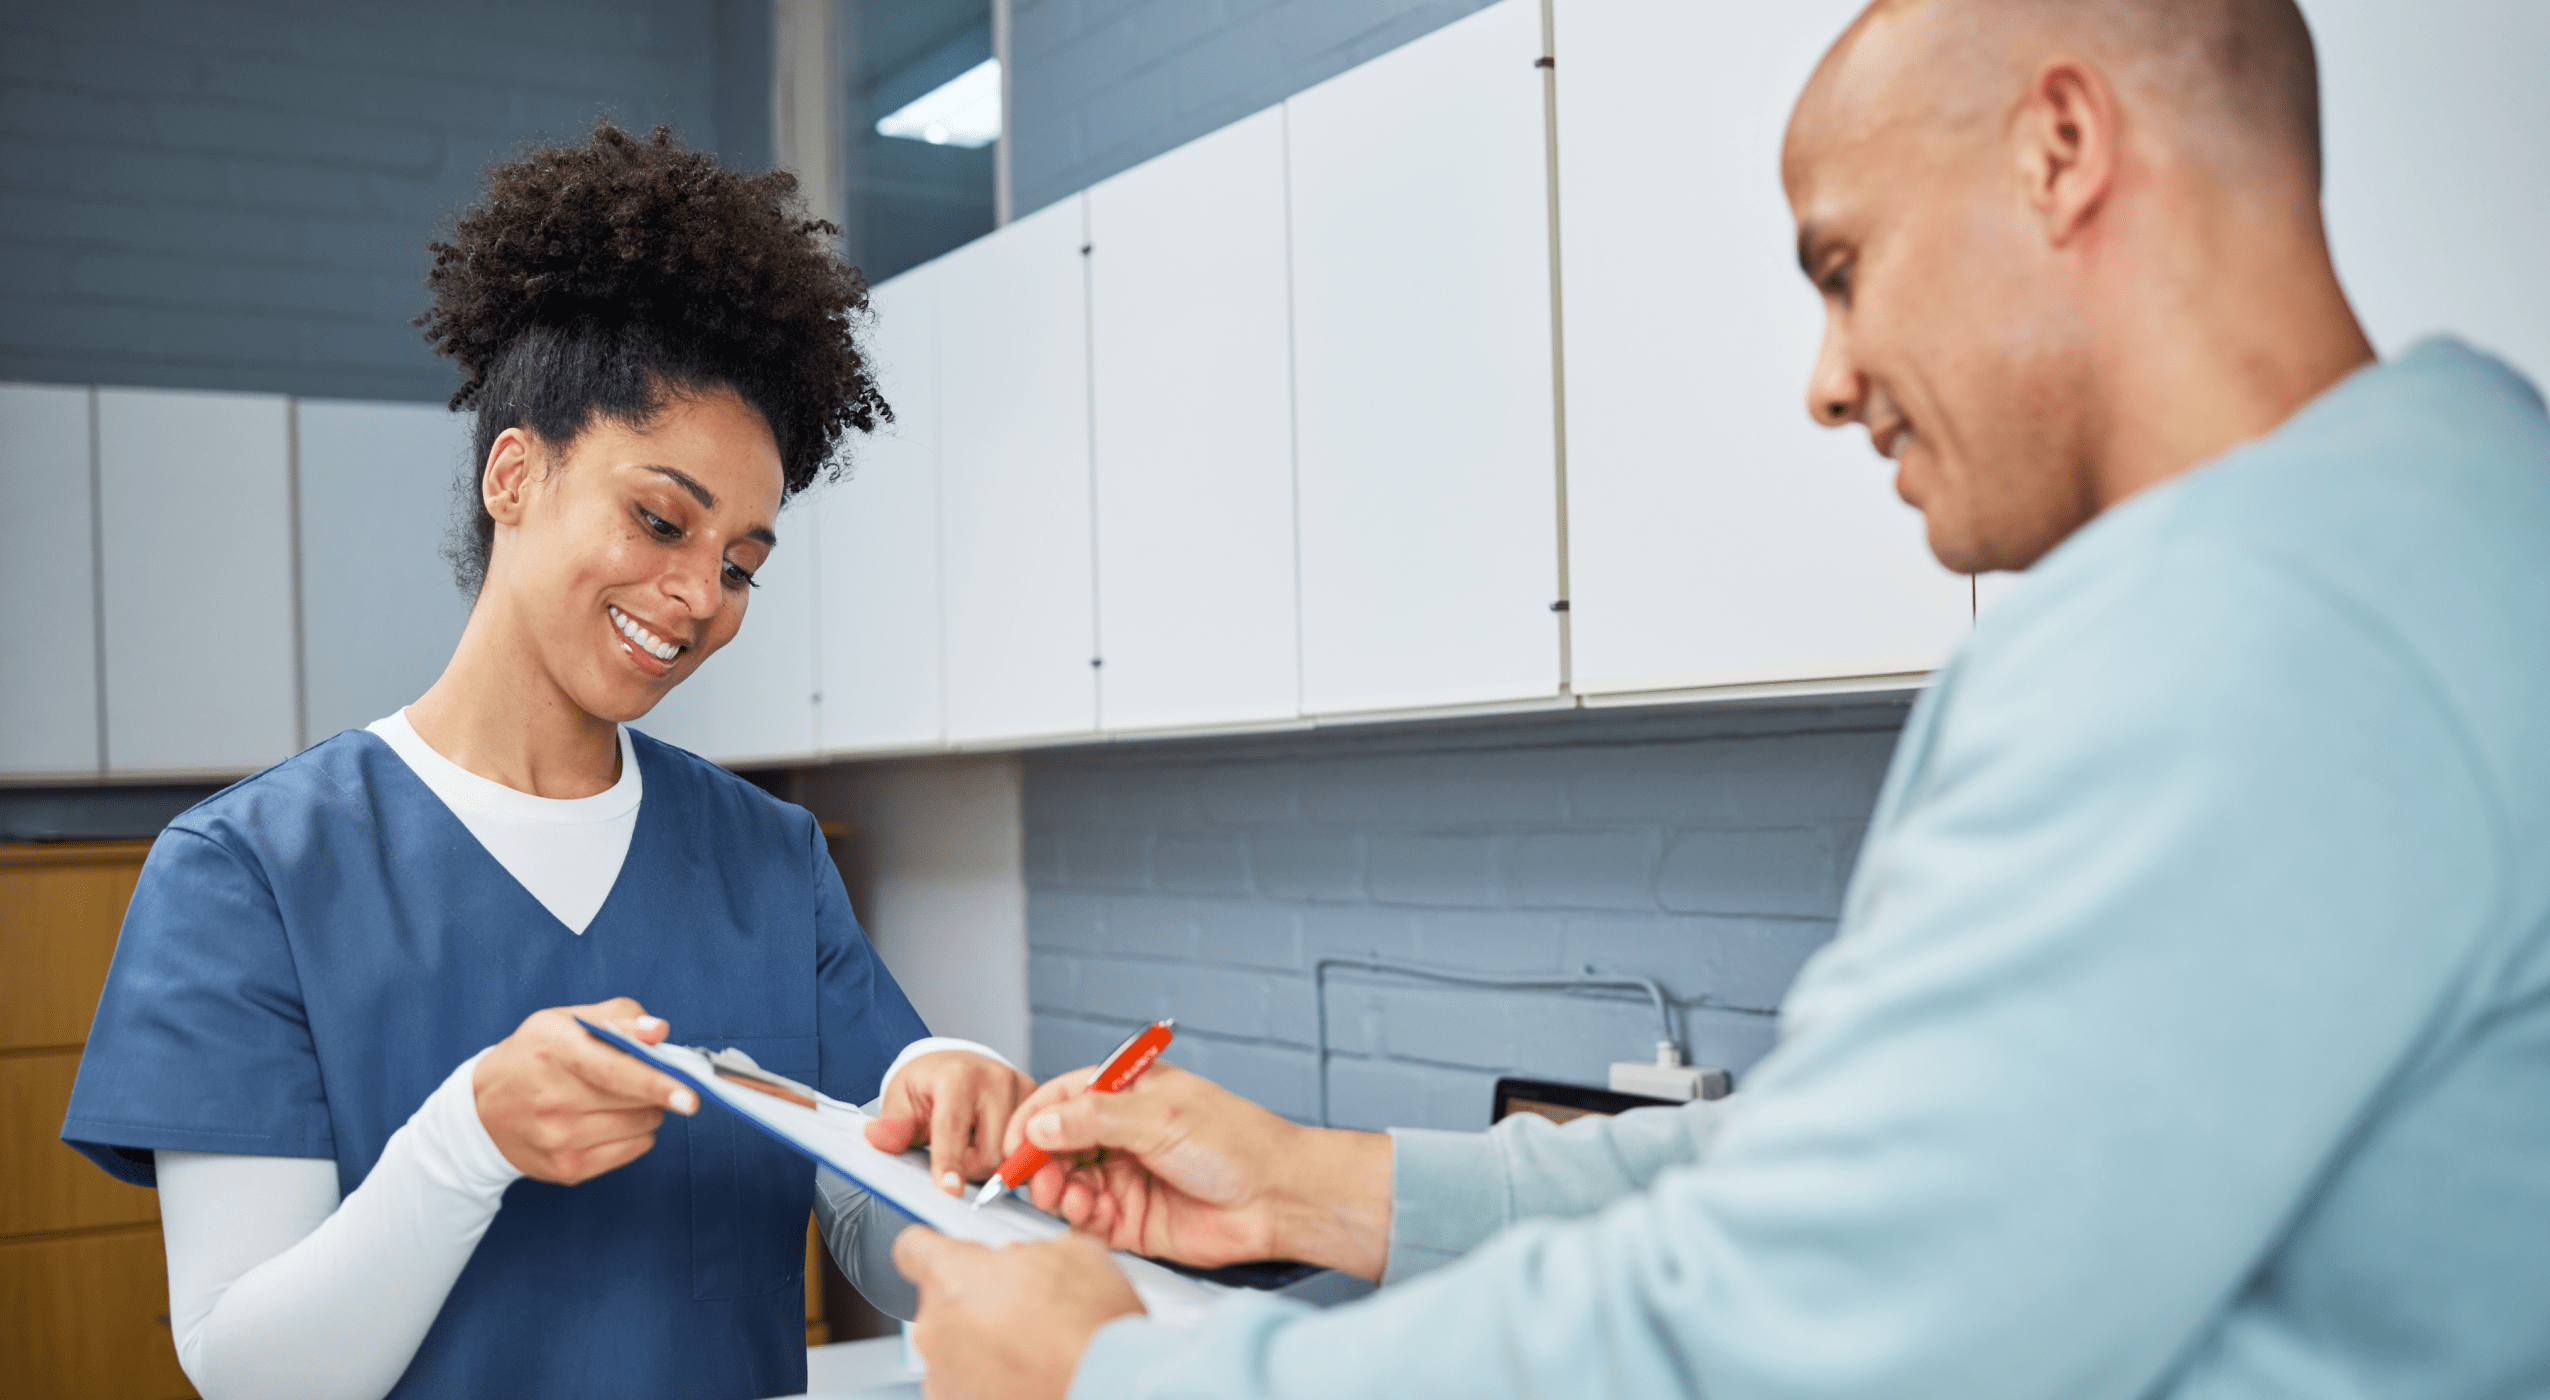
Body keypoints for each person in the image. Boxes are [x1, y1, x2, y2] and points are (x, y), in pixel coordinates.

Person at [888, 1, 2550, 1397]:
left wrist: (1116, 1375)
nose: (1827, 380)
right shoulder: (2453, 530)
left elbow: (1789, 1330)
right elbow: (1855, 1171)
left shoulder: (2252, 621)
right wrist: (1309, 1189)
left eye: (1843, 265)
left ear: (2060, 148)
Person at [61, 124, 1028, 1400]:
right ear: (512, 474)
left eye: (741, 562)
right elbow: (251, 1370)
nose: (701, 596)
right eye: (660, 518)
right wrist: (467, 1141)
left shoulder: (769, 859)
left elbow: (873, 1229)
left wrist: (960, 1155)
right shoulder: (250, 874)